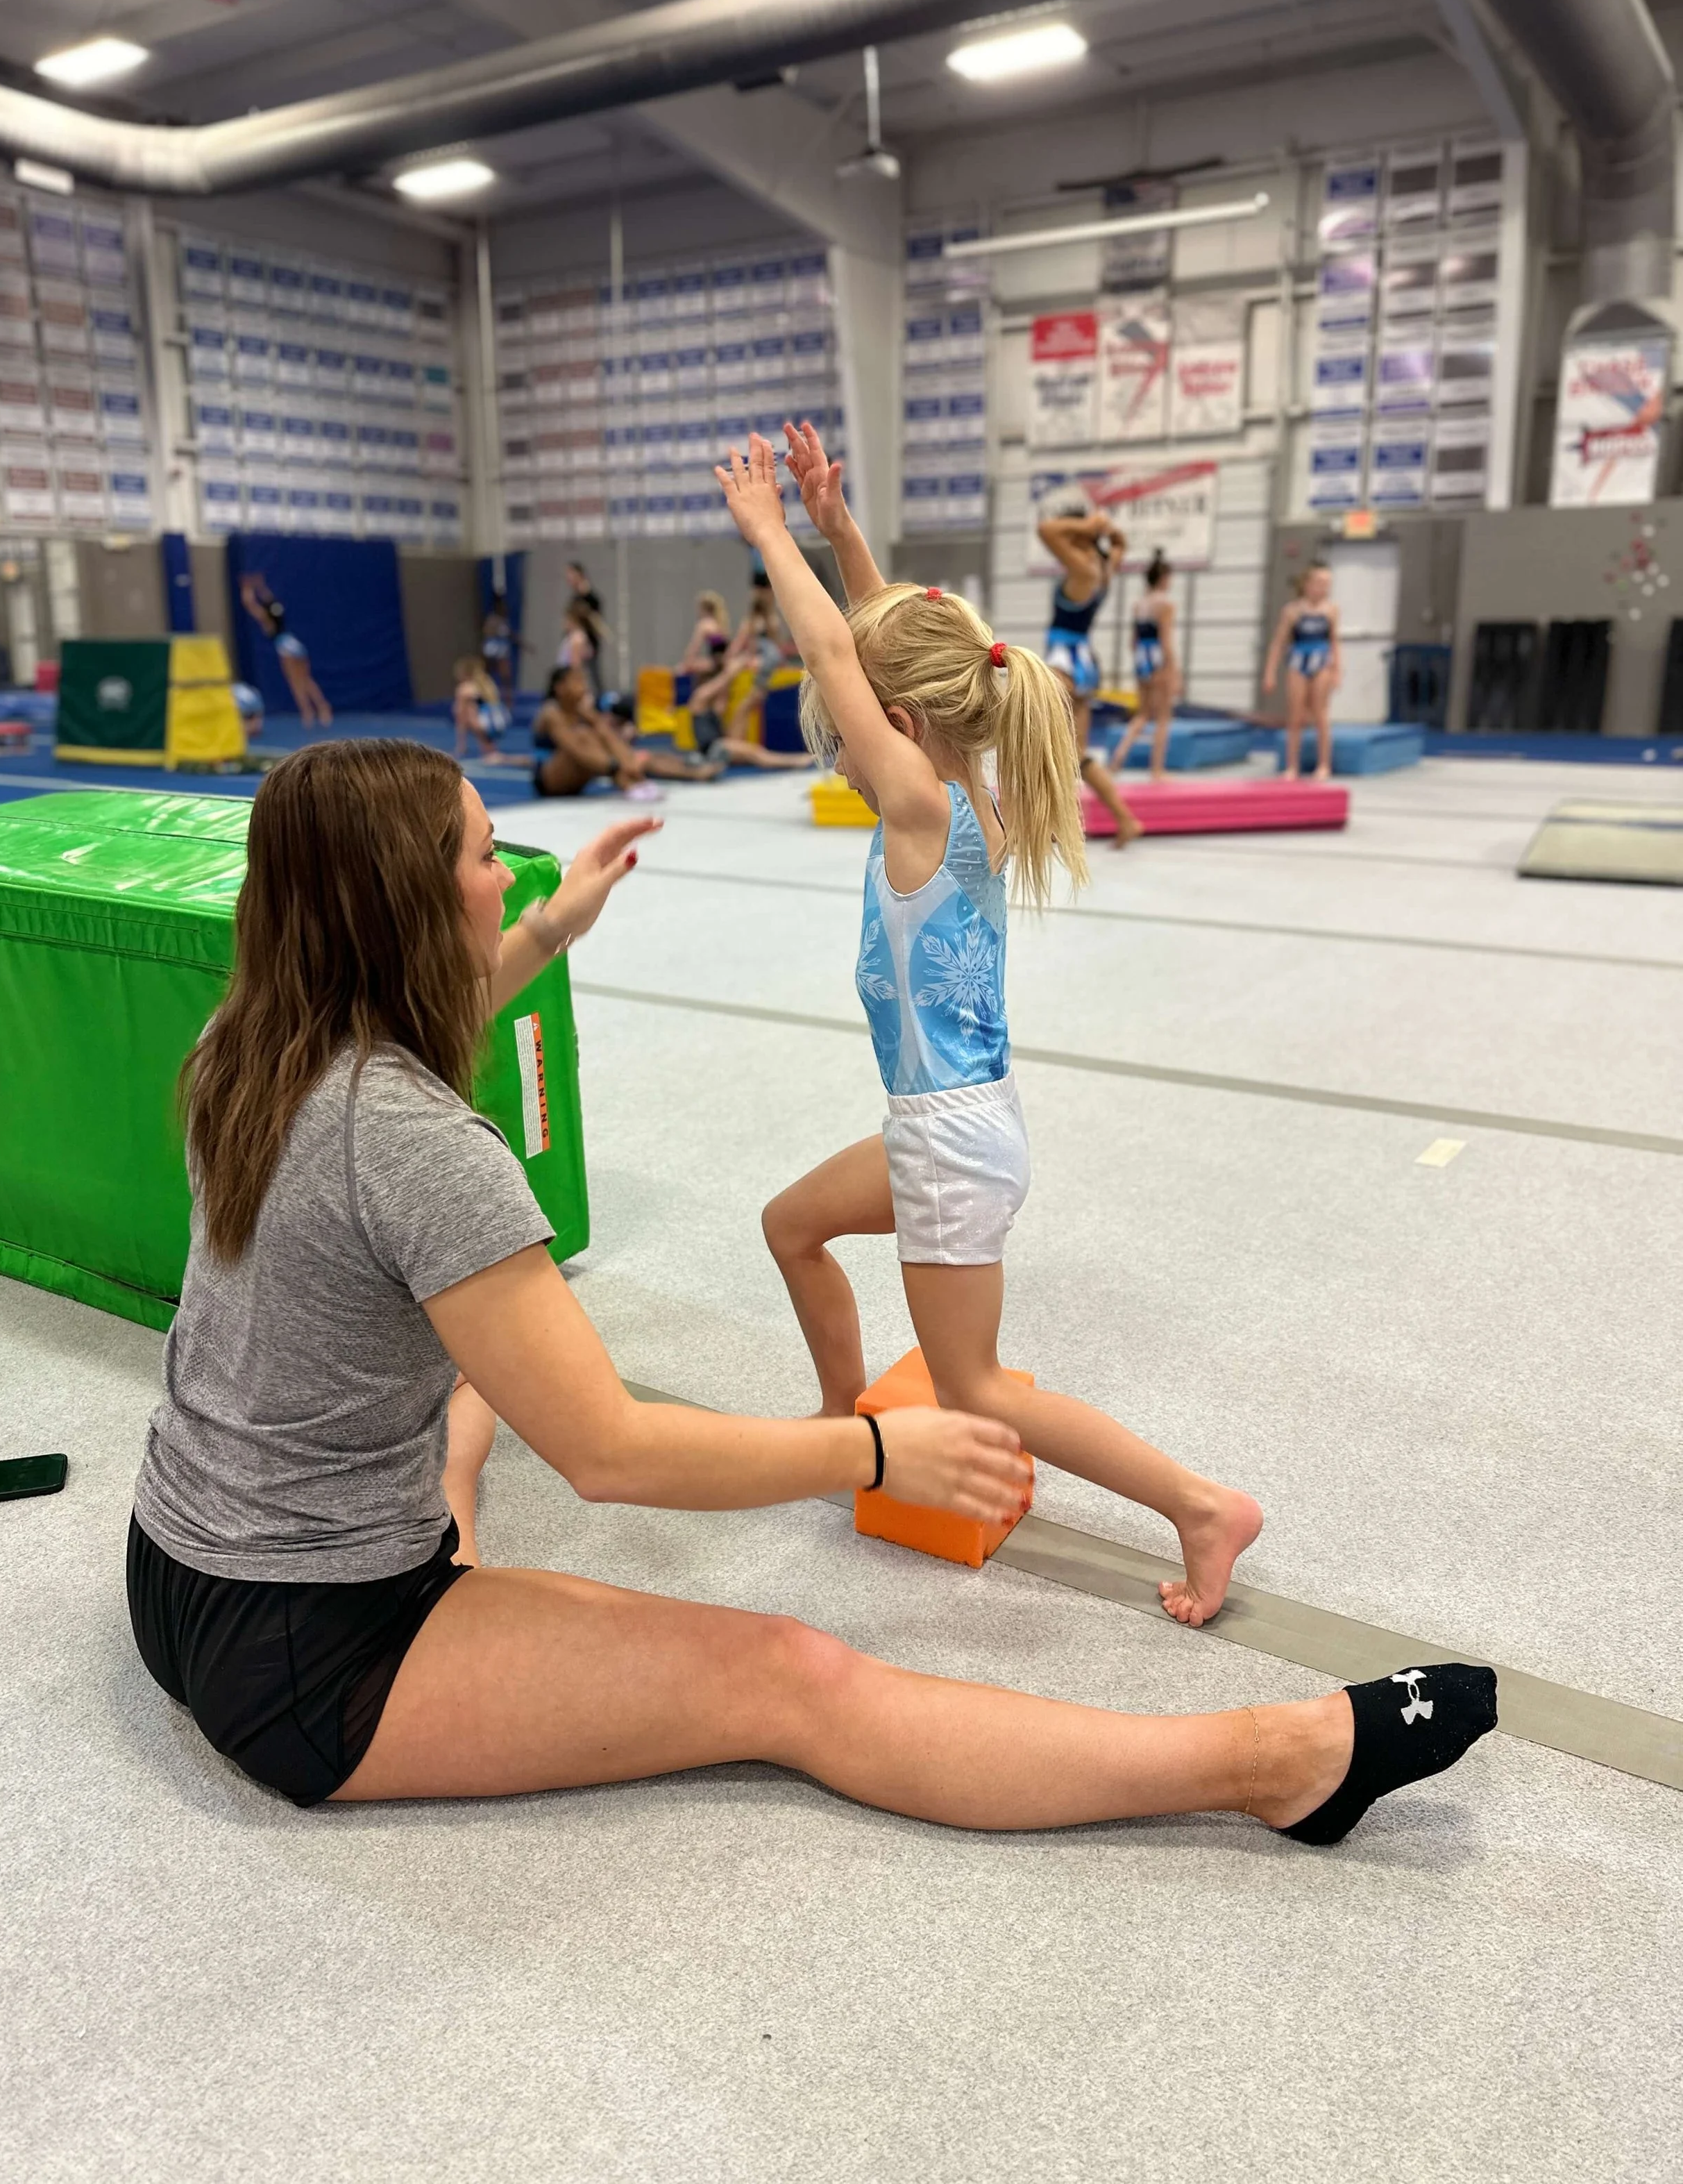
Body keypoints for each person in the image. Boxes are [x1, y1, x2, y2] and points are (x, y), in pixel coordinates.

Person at [125, 734, 1496, 1833]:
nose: (509, 873)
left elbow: (406, 1056)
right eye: (491, 857)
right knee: (788, 1673)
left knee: (474, 1398)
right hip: (313, 1660)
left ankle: (450, 1573)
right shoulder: (421, 1144)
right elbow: (610, 1454)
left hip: (174, 1573)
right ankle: (1274, 1762)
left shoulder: (247, 1040)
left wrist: (553, 932)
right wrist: (876, 1441)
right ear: (411, 905)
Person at [744, 423, 1250, 1627]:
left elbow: (834, 648)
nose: (849, 726)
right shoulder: (964, 783)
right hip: (956, 1122)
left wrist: (769, 531)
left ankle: (1199, 1503)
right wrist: (839, 525)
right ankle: (836, 1424)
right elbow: (895, 645)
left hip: (950, 1139)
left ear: (897, 722)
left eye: (866, 711)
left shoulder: (920, 801)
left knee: (973, 1379)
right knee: (793, 1224)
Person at [1033, 495, 1142, 846]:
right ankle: (1125, 818)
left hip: (1063, 659)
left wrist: (1089, 526)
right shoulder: (1104, 568)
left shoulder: (1082, 569)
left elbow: (1046, 530)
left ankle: (1051, 825)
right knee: (1077, 755)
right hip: (1085, 663)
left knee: (1044, 745)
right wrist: (1106, 532)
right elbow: (1121, 544)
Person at [532, 663, 720, 800]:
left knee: (637, 754)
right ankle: (628, 780)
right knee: (585, 735)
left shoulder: (583, 711)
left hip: (584, 773)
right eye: (577, 681)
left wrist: (628, 761)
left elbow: (607, 736)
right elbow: (574, 748)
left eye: (583, 680)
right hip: (551, 782)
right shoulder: (551, 713)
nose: (583, 685)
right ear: (559, 688)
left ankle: (692, 772)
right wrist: (617, 769)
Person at [1263, 564, 1342, 780]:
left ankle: (1324, 764)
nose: (1324, 588)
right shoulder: (1292, 611)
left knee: (1321, 714)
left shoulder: (1331, 610)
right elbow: (1278, 643)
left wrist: (1338, 670)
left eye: (1327, 584)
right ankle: (1292, 766)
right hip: (1298, 661)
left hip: (1322, 662)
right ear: (1308, 585)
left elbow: (1335, 642)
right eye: (1320, 583)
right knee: (1296, 716)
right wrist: (1270, 672)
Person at [1110, 548, 1180, 780]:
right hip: (1158, 657)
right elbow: (1166, 640)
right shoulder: (1166, 605)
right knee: (1162, 718)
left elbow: (1133, 642)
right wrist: (1174, 669)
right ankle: (1157, 770)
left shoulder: (1138, 604)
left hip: (1142, 657)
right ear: (1163, 578)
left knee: (1142, 713)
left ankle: (1119, 754)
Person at [239, 572, 332, 731]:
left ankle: (307, 713)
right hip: (294, 642)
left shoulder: (264, 617)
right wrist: (259, 585)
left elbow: (249, 603)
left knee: (295, 683)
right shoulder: (276, 608)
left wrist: (246, 587)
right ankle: (323, 707)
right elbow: (266, 596)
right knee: (306, 679)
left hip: (284, 647)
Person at [452, 656, 509, 764]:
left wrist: (461, 744)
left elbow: (459, 714)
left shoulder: (465, 688)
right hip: (499, 723)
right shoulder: (486, 683)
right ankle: (490, 750)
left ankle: (462, 747)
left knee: (464, 713)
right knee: (470, 710)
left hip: (485, 724)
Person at [677, 591, 731, 682]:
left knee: (681, 669)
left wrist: (686, 665)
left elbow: (692, 651)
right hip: (725, 663)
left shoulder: (704, 625)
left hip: (716, 665)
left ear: (703, 609)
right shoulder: (720, 624)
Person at [480, 593, 516, 715]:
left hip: (502, 649)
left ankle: (508, 703)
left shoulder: (504, 621)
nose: (505, 608)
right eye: (502, 606)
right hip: (492, 648)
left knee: (506, 676)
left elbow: (512, 636)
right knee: (486, 675)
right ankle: (484, 699)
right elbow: (487, 633)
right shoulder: (492, 620)